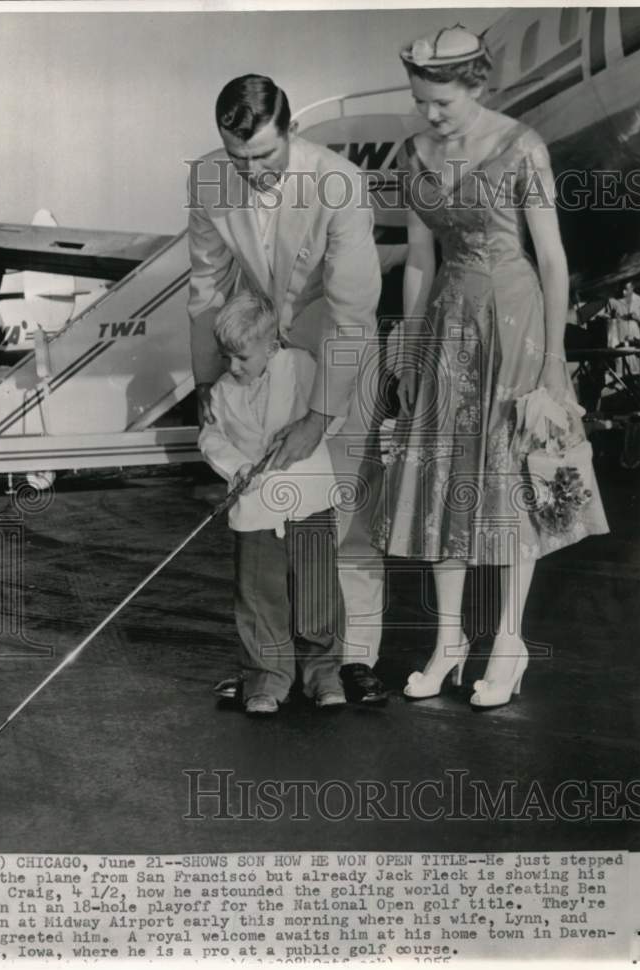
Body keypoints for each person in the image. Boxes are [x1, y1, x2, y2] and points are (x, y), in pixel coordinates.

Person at [376, 26, 609, 709]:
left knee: (511, 483)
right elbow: (420, 258)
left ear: (476, 84)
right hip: (449, 325)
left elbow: (554, 259)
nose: (431, 114)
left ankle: (509, 640)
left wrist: (556, 359)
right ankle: (449, 639)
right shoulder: (413, 153)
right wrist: (412, 348)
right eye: (422, 101)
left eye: (442, 101)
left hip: (515, 325)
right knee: (443, 476)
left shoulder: (520, 146)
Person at [187, 74, 386, 704]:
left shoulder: (340, 183)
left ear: (291, 132)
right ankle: (268, 664)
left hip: (338, 349)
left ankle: (350, 660)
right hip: (263, 355)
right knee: (267, 522)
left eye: (265, 157)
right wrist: (206, 380)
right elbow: (207, 288)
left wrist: (318, 416)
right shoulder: (210, 180)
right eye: (238, 158)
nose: (251, 172)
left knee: (341, 509)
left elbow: (353, 316)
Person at [198, 290, 346, 714]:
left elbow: (332, 409)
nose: (232, 367)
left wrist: (312, 426)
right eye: (226, 357)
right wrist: (236, 466)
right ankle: (266, 677)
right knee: (259, 597)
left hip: (309, 500)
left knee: (317, 592)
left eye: (242, 357)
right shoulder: (223, 391)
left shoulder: (299, 367)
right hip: (256, 509)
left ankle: (324, 674)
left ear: (271, 346)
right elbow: (210, 437)